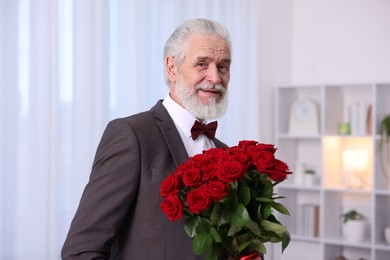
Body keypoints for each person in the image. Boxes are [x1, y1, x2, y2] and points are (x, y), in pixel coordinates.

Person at [61, 18, 232, 259]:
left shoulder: (227, 154)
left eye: (223, 66)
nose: (215, 77)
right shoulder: (131, 135)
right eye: (202, 64)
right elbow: (81, 251)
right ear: (172, 68)